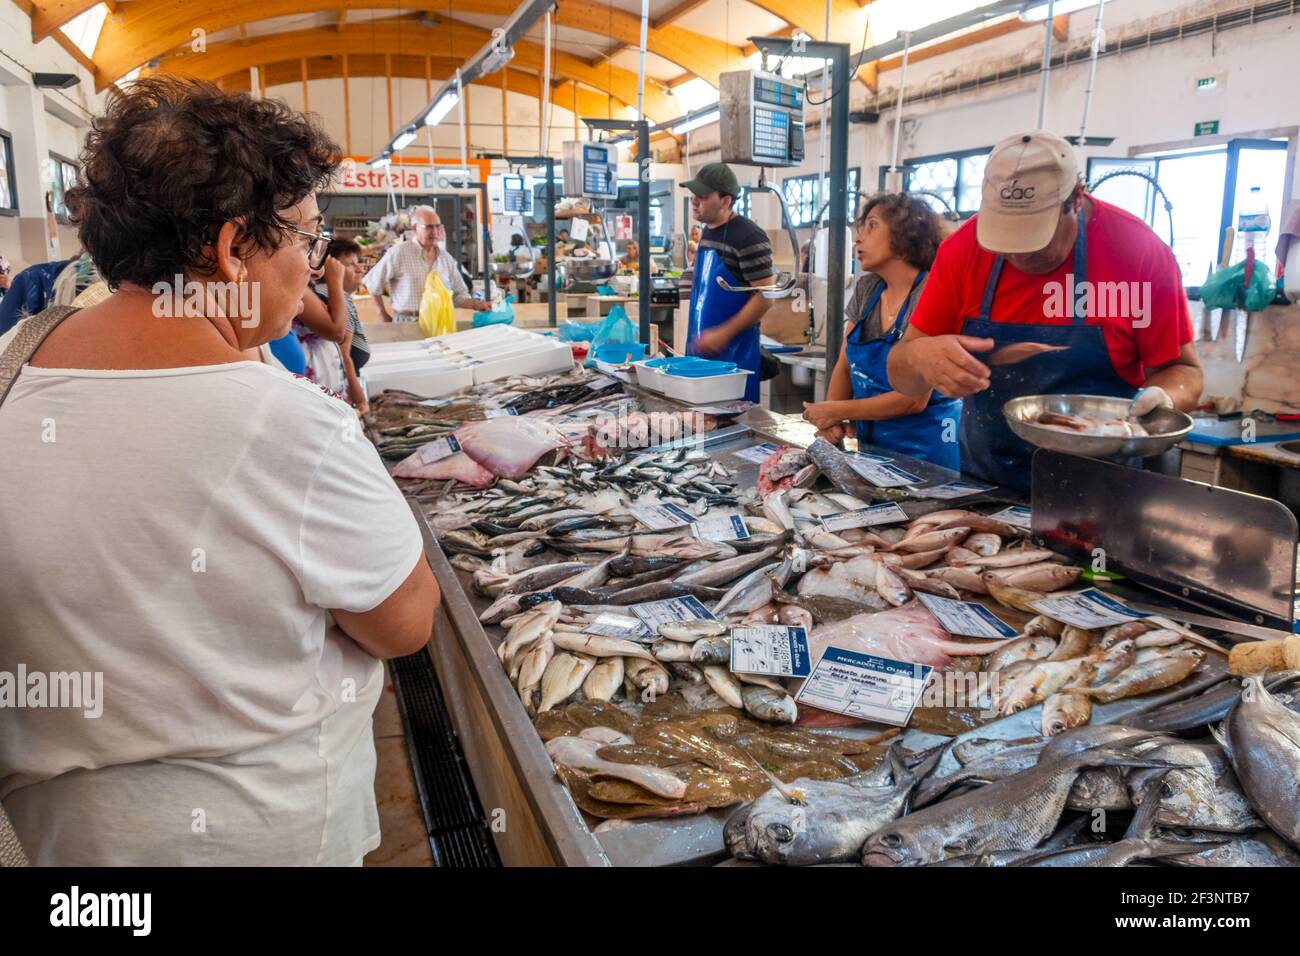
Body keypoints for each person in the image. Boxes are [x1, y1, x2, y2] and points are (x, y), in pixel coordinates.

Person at [0, 76, 439, 866]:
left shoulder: (9, 368)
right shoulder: (291, 426)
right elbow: (403, 624)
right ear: (236, 248)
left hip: (55, 845)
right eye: (306, 238)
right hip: (250, 837)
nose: (312, 265)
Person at [887, 131, 1203, 491]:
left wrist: (1164, 397)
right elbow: (901, 375)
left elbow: (1183, 370)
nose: (1020, 257)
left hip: (1108, 492)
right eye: (1005, 242)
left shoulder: (1137, 252)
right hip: (986, 489)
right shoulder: (961, 250)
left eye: (1035, 239)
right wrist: (917, 357)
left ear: (1077, 200)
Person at [801, 193, 961, 469]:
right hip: (873, 451)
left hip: (929, 454)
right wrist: (831, 425)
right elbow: (844, 365)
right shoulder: (868, 289)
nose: (858, 239)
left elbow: (913, 399)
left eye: (872, 226)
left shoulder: (932, 293)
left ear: (904, 237)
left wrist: (836, 410)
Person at [681, 163, 774, 403]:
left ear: (725, 200)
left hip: (734, 360)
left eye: (702, 196)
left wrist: (724, 333)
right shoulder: (708, 233)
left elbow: (765, 296)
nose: (694, 201)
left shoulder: (748, 236)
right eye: (694, 195)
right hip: (700, 353)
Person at [362, 204, 487, 321]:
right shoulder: (398, 253)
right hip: (408, 322)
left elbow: (459, 295)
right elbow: (372, 283)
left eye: (437, 226)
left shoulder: (445, 258)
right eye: (429, 227)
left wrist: (478, 305)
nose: (435, 231)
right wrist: (382, 314)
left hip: (440, 322)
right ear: (415, 228)